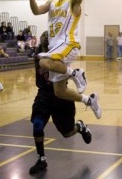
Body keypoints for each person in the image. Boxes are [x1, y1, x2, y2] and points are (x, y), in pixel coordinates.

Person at [26, 0, 101, 119]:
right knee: (59, 92)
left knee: (43, 63)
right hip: (55, 49)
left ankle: (76, 73)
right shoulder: (52, 3)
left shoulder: (73, 3)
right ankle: (89, 100)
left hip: (68, 44)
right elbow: (36, 10)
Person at [29, 31, 92, 175]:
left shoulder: (62, 54)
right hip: (44, 95)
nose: (45, 42)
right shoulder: (39, 54)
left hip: (61, 96)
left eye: (48, 41)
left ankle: (80, 127)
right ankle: (41, 159)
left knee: (67, 132)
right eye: (44, 41)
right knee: (37, 125)